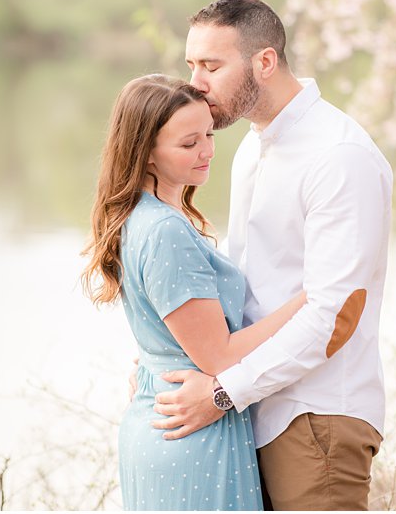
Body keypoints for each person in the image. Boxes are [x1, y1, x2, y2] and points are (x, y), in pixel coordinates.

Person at [155, 0, 393, 510]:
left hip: (316, 417)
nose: (196, 82)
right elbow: (247, 288)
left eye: (212, 66)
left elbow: (337, 315)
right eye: (192, 64)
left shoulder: (338, 156)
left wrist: (223, 394)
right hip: (255, 408)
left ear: (264, 61)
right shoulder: (250, 148)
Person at [83, 74, 308, 511]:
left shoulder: (146, 215)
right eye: (188, 144)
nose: (207, 150)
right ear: (145, 153)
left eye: (208, 134)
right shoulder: (165, 229)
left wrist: (154, 360)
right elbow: (218, 356)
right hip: (190, 433)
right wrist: (305, 301)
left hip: (165, 417)